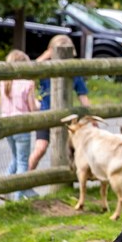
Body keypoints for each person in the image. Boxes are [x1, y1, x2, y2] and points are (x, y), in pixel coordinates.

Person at [28, 34, 92, 171]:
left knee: (71, 150)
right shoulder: (44, 68)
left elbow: (83, 97)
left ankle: (70, 179)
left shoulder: (74, 72)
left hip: (67, 117)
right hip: (45, 114)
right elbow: (29, 71)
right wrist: (46, 55)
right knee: (40, 148)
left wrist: (92, 118)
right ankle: (25, 180)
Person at [0, 49, 39, 200]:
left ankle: (3, 187)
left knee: (16, 158)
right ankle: (18, 197)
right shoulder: (28, 83)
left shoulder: (4, 82)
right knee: (22, 161)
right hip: (22, 125)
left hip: (7, 123)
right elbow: (31, 107)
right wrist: (38, 105)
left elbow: (2, 104)